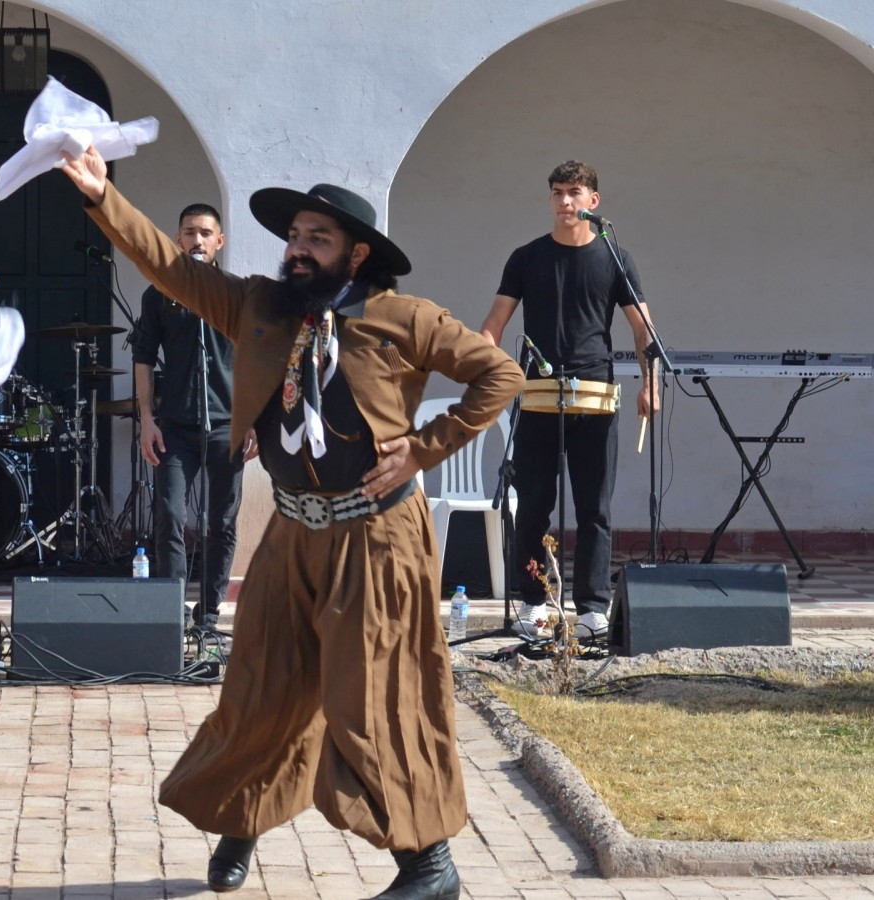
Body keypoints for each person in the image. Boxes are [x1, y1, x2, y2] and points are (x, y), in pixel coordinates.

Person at [61, 145, 523, 899]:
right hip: (291, 531)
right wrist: (101, 196)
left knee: (372, 693)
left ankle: (428, 864)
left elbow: (500, 374)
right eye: (296, 236)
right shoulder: (260, 307)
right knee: (260, 682)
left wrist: (424, 448)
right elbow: (168, 267)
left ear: (356, 253)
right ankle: (242, 821)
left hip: (376, 536)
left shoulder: (403, 318)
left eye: (318, 239)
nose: (299, 249)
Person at [478, 160, 658, 642]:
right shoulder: (526, 258)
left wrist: (651, 383)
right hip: (537, 398)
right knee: (533, 506)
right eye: (557, 192)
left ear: (593, 201)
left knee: (594, 509)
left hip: (596, 398)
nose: (564, 201)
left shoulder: (615, 257)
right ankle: (534, 603)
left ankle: (593, 609)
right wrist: (487, 369)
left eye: (574, 192)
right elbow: (494, 324)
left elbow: (643, 328)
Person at [131, 202, 255, 630]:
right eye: (189, 232)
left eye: (205, 233)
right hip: (175, 426)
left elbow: (257, 358)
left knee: (222, 520)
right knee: (169, 513)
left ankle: (209, 613)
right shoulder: (159, 293)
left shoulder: (236, 294)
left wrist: (255, 418)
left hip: (227, 424)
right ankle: (174, 611)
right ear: (177, 239)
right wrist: (147, 419)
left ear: (219, 241)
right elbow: (144, 358)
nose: (196, 240)